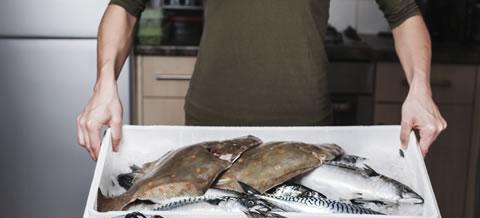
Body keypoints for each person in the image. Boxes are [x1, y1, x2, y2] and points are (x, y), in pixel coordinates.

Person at [77, 0, 446, 161]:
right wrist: (104, 82)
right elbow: (125, 8)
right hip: (210, 135)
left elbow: (404, 14)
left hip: (306, 139)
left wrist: (420, 87)